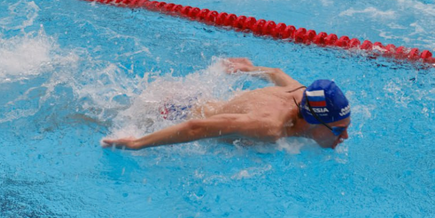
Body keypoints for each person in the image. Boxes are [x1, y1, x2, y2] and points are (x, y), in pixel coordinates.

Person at [101, 57, 351, 150]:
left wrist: (248, 68)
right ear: (314, 120)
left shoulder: (302, 94)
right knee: (98, 118)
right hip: (171, 112)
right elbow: (195, 128)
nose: (345, 136)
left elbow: (277, 73)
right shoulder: (268, 126)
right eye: (338, 130)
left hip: (191, 98)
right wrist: (136, 143)